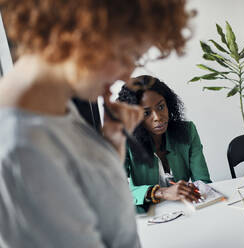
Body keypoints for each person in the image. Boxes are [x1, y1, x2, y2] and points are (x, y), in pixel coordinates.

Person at [0, 1, 192, 247]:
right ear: (81, 32)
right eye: (125, 55)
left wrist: (114, 142)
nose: (125, 75)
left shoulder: (55, 105)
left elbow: (104, 212)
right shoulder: (20, 148)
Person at [118, 75, 211, 212]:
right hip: (149, 216)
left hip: (186, 210)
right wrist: (161, 192)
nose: (157, 117)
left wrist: (196, 189)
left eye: (161, 107)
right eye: (146, 113)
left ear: (169, 104)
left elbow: (203, 181)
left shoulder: (187, 131)